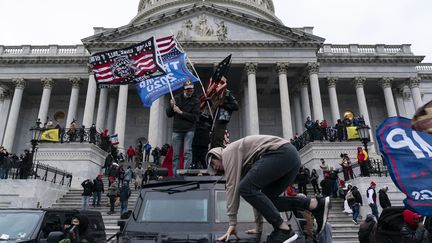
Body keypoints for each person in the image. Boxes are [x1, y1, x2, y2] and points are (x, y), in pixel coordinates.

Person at [206, 135, 330, 242]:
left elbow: (232, 189)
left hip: (281, 153)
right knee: (266, 198)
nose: (215, 168)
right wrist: (259, 228)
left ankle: (283, 229)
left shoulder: (228, 153)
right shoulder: (244, 162)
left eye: (213, 163)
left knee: (244, 188)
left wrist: (232, 223)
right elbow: (258, 199)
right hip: (291, 158)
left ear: (217, 155)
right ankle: (314, 204)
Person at [166, 80, 200, 175]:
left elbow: (195, 117)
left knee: (187, 152)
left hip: (189, 129)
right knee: (176, 154)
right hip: (177, 130)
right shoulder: (176, 98)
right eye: (187, 90)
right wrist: (171, 106)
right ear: (184, 90)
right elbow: (169, 114)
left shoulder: (196, 101)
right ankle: (175, 175)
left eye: (191, 90)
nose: (189, 91)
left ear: (193, 89)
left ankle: (185, 173)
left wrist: (181, 112)